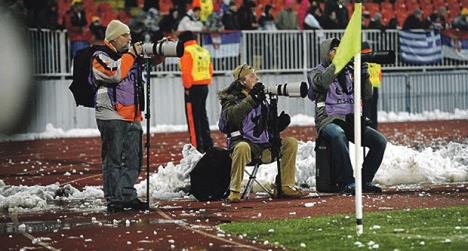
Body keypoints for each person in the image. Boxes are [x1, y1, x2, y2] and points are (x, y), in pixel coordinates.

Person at [92, 19, 163, 212]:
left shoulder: (131, 56)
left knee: (134, 158)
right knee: (113, 158)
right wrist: (132, 54)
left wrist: (161, 50)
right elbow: (114, 73)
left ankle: (127, 194)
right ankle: (114, 197)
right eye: (125, 35)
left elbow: (151, 62)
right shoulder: (100, 55)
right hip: (111, 114)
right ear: (113, 38)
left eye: (130, 35)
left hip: (133, 114)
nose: (130, 39)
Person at [309, 38, 387, 194]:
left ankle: (364, 181)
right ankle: (347, 181)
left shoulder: (349, 71)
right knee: (338, 135)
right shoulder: (315, 72)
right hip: (327, 120)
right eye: (334, 50)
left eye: (340, 49)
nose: (338, 52)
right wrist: (339, 63)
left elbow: (367, 95)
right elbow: (323, 82)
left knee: (379, 141)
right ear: (326, 53)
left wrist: (364, 77)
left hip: (350, 120)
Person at [218, 64, 303, 203]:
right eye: (252, 76)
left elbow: (263, 126)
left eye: (256, 75)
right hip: (246, 150)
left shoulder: (261, 98)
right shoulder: (230, 99)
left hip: (264, 148)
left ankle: (285, 186)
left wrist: (277, 125)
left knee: (291, 143)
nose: (256, 78)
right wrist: (252, 99)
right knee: (242, 147)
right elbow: (230, 118)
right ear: (242, 81)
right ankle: (234, 191)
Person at [179, 31, 214, 153]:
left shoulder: (186, 51)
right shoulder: (202, 50)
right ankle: (208, 143)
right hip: (204, 85)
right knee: (202, 115)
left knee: (192, 118)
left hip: (193, 87)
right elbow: (210, 69)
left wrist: (187, 87)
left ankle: (196, 146)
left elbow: (186, 71)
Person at [361, 41, 382, 130]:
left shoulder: (362, 59)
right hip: (376, 87)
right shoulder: (376, 59)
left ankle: (367, 128)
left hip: (366, 88)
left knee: (366, 110)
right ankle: (375, 128)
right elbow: (380, 75)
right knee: (374, 110)